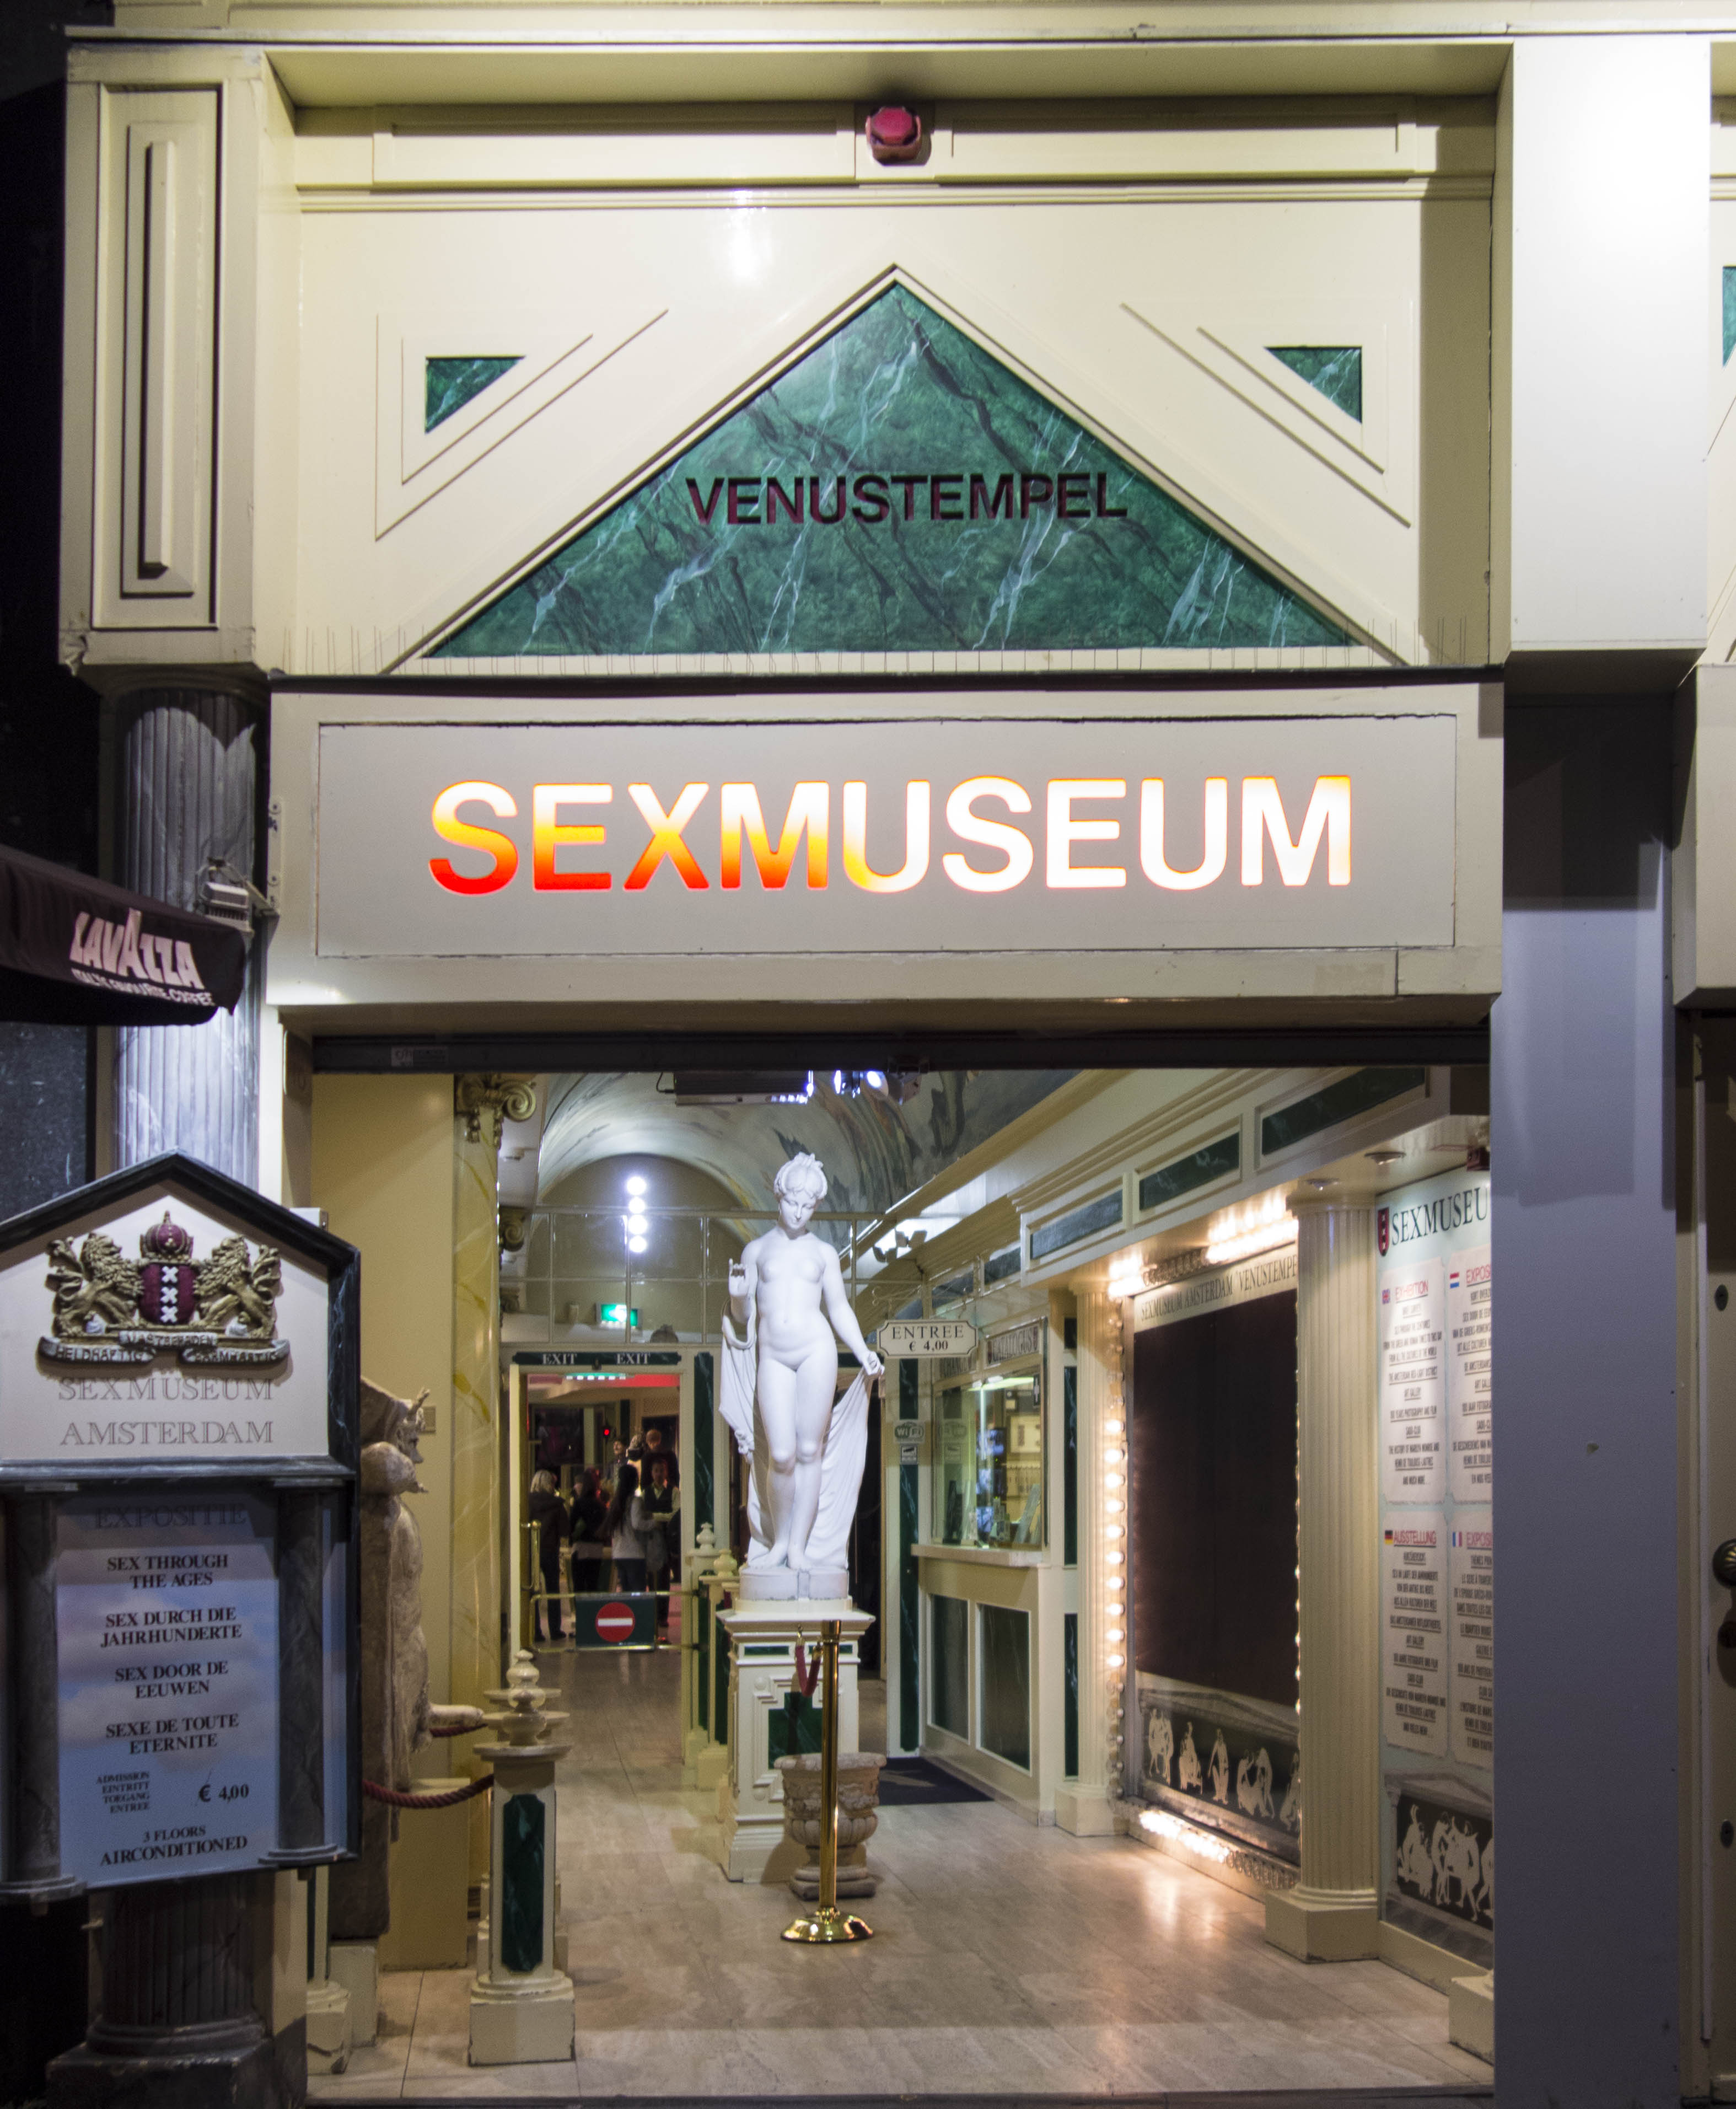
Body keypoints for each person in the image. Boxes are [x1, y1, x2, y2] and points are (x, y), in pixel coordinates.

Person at [725, 1153, 883, 1573]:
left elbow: (839, 1308)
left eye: (808, 1206)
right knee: (781, 1454)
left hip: (817, 1350)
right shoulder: (757, 1249)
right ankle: (779, 1541)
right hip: (774, 1356)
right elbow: (743, 1317)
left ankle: (798, 1547)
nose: (798, 1212)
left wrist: (862, 1350)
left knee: (810, 1450)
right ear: (779, 1197)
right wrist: (738, 1298)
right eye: (792, 1202)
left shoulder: (824, 1252)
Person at [527, 1469, 569, 1642]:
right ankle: (555, 1630)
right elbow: (565, 1530)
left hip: (532, 1551)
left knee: (533, 1592)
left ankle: (535, 1631)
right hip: (551, 1551)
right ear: (549, 1485)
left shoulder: (527, 1503)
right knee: (553, 1591)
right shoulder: (557, 1505)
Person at [641, 1453, 676, 1637]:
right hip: (649, 1541)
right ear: (651, 1473)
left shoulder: (674, 1492)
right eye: (656, 1471)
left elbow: (675, 1515)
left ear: (666, 1472)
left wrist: (654, 1517)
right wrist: (662, 1517)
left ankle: (663, 1615)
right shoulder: (645, 1493)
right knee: (650, 1578)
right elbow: (642, 1516)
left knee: (664, 1578)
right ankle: (652, 1613)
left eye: (662, 1470)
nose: (659, 1474)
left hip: (667, 1539)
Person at [606, 1459, 648, 1593]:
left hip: (619, 1554)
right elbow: (637, 1524)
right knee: (638, 1593)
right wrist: (654, 1523)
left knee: (626, 1593)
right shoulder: (635, 1501)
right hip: (635, 1553)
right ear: (635, 1481)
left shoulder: (616, 1503)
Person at [568, 1466, 610, 1595]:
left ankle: (580, 1608)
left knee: (579, 1585)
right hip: (596, 1549)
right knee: (593, 1584)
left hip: (580, 1547)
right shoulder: (601, 1506)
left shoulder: (579, 1503)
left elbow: (571, 1525)